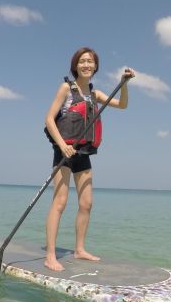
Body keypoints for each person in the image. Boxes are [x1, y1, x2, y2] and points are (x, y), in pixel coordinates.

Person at [43, 47, 136, 271]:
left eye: (90, 62)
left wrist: (124, 84)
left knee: (86, 203)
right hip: (65, 152)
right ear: (76, 66)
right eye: (82, 61)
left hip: (83, 154)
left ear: (95, 67)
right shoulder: (66, 88)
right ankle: (50, 255)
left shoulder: (95, 95)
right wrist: (62, 145)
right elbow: (49, 119)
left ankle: (79, 249)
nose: (86, 65)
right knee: (60, 203)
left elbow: (123, 105)